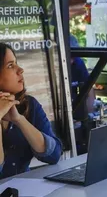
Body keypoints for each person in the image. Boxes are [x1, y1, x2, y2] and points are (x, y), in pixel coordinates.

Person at [0, 43, 62, 178]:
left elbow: (54, 155)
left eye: (16, 63)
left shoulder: (29, 104)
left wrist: (19, 120)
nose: (20, 70)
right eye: (10, 66)